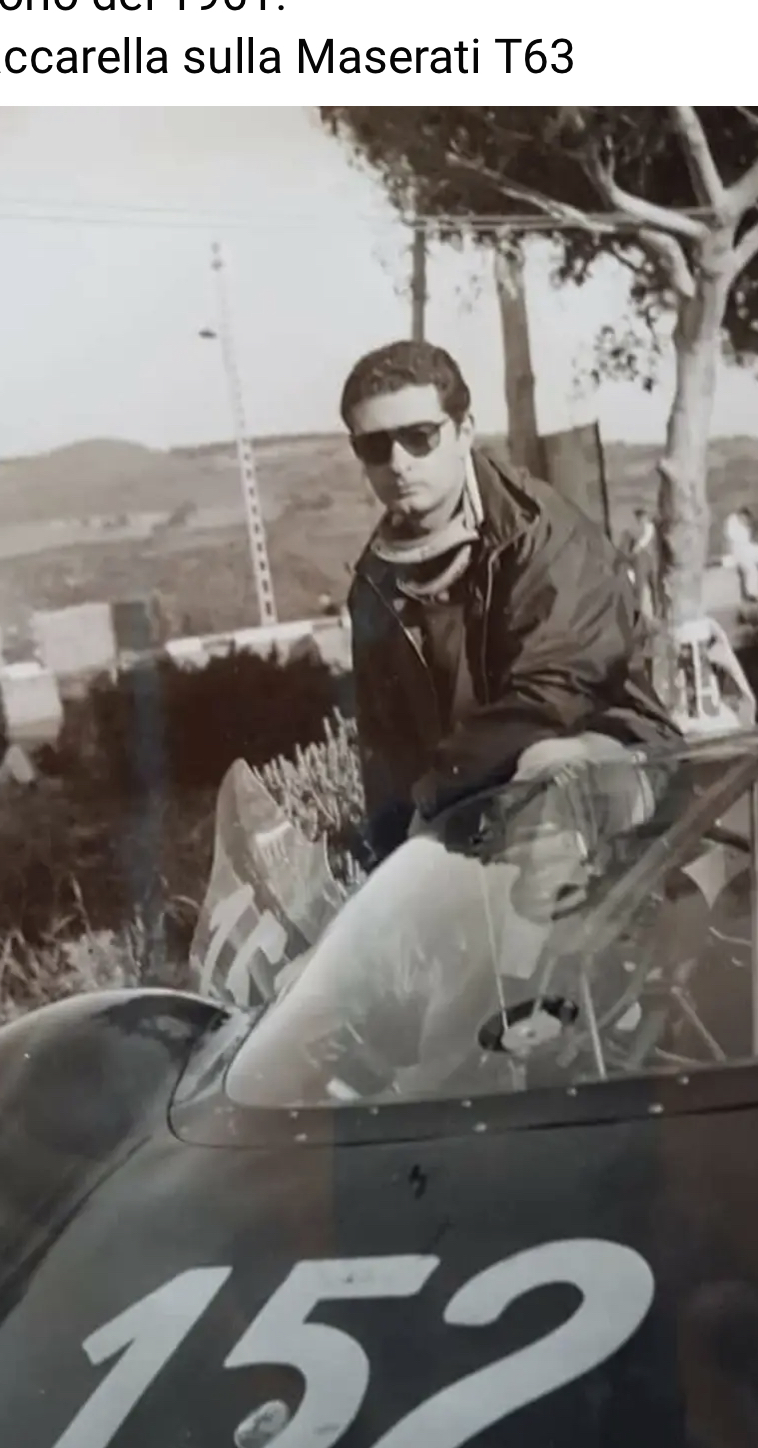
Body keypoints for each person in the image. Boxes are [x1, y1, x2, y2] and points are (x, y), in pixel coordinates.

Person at [231, 342, 684, 1098]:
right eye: (375, 446)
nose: (399, 462)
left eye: (420, 436)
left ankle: (519, 1036)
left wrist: (434, 801)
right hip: (472, 796)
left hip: (615, 768)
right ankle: (444, 1060)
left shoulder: (544, 534)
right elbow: (386, 748)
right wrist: (391, 875)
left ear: (465, 429)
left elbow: (551, 694)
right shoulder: (377, 579)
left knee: (547, 773)